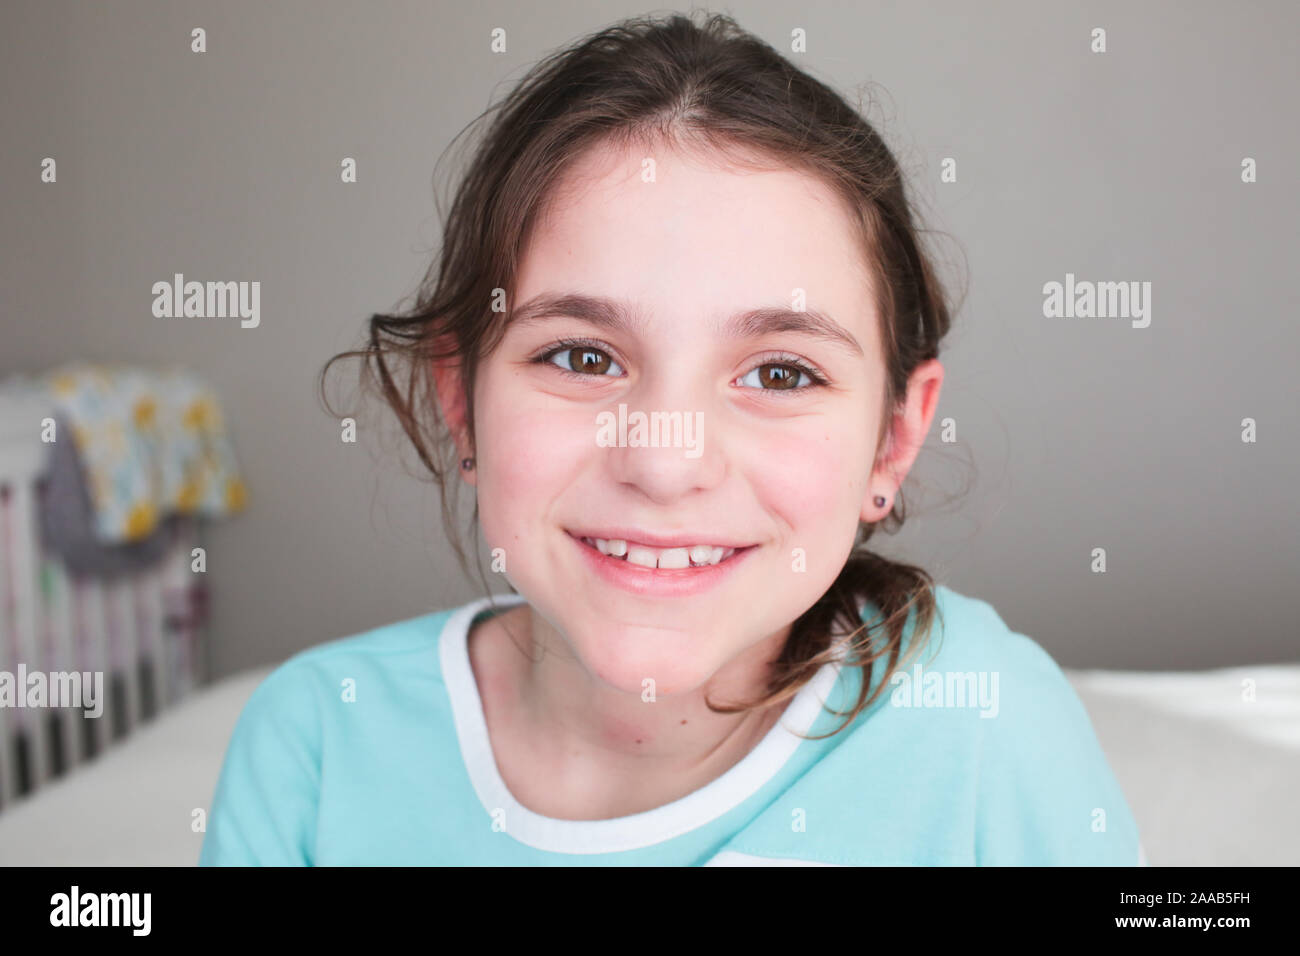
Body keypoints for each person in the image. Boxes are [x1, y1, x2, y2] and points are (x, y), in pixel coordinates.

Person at [200, 11, 1144, 866]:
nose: (664, 461)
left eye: (780, 374)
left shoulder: (985, 728)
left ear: (893, 440)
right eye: (580, 357)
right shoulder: (316, 747)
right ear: (461, 399)